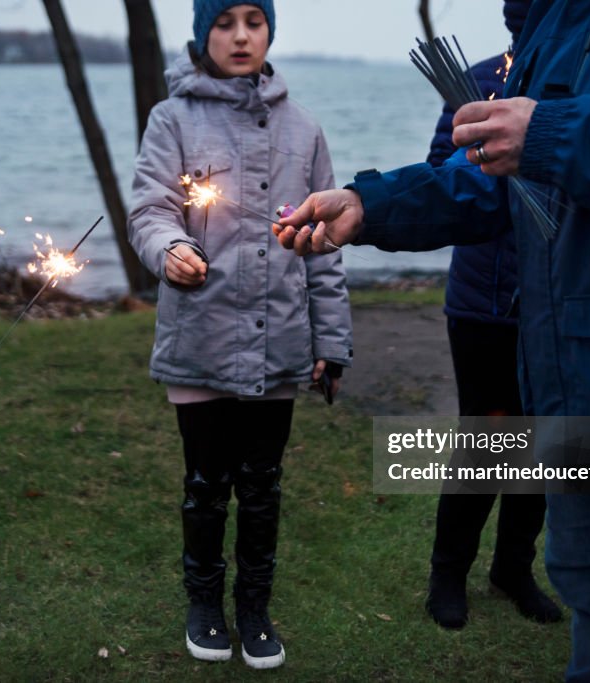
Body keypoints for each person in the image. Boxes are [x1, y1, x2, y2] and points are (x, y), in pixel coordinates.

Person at [275, 1, 590, 680]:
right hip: (572, 387)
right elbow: (512, 179)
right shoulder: (556, 14)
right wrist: (375, 205)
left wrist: (550, 132)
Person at [128, 0, 353, 669]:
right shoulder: (172, 119)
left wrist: (330, 343)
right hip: (199, 339)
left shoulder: (304, 129)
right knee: (206, 481)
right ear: (202, 35)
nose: (240, 35)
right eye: (224, 22)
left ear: (270, 32)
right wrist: (167, 247)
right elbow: (150, 206)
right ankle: (205, 601)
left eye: (253, 21)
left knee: (263, 481)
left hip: (278, 340)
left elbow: (325, 250)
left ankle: (254, 605)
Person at [423, 0, 561, 631]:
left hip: (553, 296)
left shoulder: (572, 84)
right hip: (482, 298)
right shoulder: (479, 81)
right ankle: (447, 574)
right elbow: (436, 180)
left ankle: (513, 568)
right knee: (488, 439)